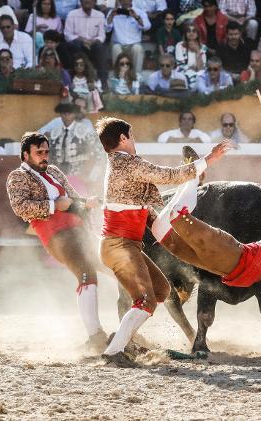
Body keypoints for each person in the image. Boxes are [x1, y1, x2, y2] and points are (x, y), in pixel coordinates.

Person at [95, 117, 231, 366]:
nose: (134, 140)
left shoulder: (120, 166)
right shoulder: (127, 164)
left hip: (125, 245)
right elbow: (168, 175)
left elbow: (150, 206)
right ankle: (114, 351)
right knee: (146, 301)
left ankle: (123, 341)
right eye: (132, 136)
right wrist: (207, 160)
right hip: (119, 246)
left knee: (161, 290)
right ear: (123, 139)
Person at [6, 132, 108, 352]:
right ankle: (95, 335)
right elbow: (20, 207)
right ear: (26, 155)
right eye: (39, 152)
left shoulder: (53, 171)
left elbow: (71, 200)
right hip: (57, 236)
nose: (44, 156)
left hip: (79, 231)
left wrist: (87, 202)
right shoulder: (17, 177)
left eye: (46, 152)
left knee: (116, 265)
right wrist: (53, 206)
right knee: (86, 273)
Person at [48, 102, 102, 182]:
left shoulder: (85, 131)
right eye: (63, 113)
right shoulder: (54, 133)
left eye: (69, 113)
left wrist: (90, 174)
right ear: (60, 115)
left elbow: (98, 152)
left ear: (75, 114)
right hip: (59, 178)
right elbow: (50, 156)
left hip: (80, 175)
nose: (66, 115)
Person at [65, 0, 109, 87]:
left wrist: (92, 41)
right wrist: (82, 40)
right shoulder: (72, 14)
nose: (87, 1)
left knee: (100, 47)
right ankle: (74, 81)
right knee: (76, 44)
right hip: (78, 44)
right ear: (80, 1)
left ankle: (103, 82)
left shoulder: (99, 15)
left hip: (93, 45)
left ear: (95, 2)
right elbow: (67, 34)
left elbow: (102, 36)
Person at [106, 0, 151, 74]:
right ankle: (118, 76)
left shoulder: (139, 12)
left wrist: (136, 17)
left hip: (134, 44)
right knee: (115, 48)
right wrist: (111, 16)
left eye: (128, 0)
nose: (125, 2)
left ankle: (137, 76)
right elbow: (106, 29)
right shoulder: (113, 12)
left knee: (137, 49)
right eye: (123, 0)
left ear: (131, 1)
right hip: (118, 43)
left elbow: (147, 27)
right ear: (120, 1)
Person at [174, 23, 208, 90]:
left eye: (194, 31)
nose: (191, 33)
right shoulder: (179, 45)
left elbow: (201, 68)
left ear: (197, 34)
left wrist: (197, 51)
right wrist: (191, 68)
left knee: (201, 75)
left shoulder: (203, 47)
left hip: (198, 73)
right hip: (183, 72)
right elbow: (180, 65)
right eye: (188, 31)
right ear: (185, 34)